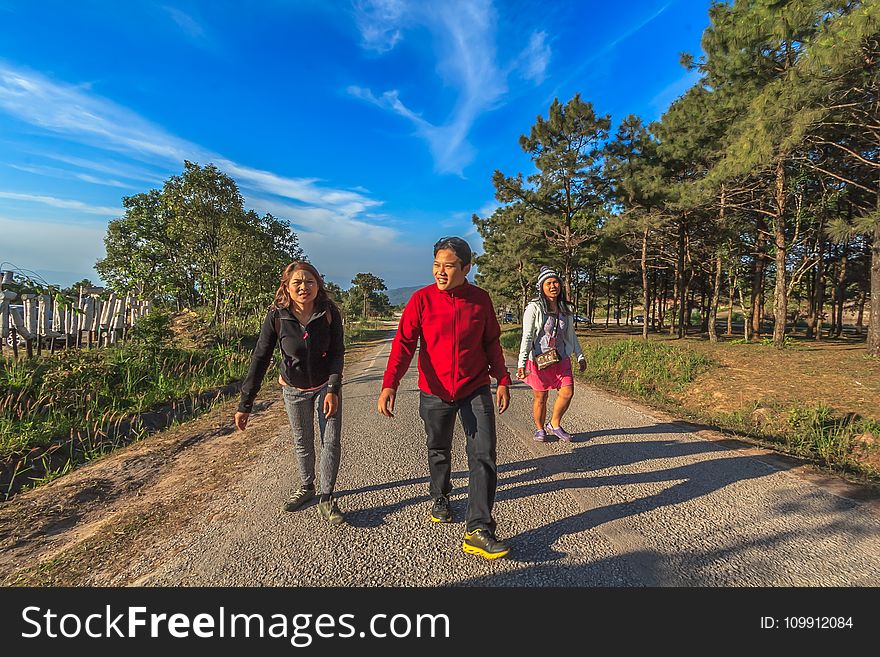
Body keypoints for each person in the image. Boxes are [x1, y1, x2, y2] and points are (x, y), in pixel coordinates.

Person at [377, 236, 513, 560]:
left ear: (466, 267)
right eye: (437, 265)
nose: (440, 272)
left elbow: (492, 342)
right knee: (438, 448)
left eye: (449, 266)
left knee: (483, 453)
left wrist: (503, 379)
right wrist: (389, 383)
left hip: (474, 388)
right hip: (434, 392)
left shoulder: (480, 300)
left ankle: (479, 528)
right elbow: (404, 344)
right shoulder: (420, 300)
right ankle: (440, 497)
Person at [234, 261, 346, 526]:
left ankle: (327, 497)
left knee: (330, 441)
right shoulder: (277, 315)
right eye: (297, 282)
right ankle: (307, 487)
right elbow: (260, 357)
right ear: (286, 286)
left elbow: (337, 353)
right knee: (302, 442)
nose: (304, 287)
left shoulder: (329, 312)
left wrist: (333, 389)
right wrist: (245, 403)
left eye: (310, 282)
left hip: (324, 387)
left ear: (318, 285)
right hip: (293, 390)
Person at [516, 266, 586, 442]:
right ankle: (540, 429)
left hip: (560, 358)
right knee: (541, 397)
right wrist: (521, 363)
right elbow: (527, 336)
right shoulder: (534, 308)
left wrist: (580, 355)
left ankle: (554, 424)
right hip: (539, 360)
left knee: (568, 392)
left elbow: (571, 335)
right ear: (541, 287)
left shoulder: (565, 308)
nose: (553, 286)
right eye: (548, 283)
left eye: (556, 282)